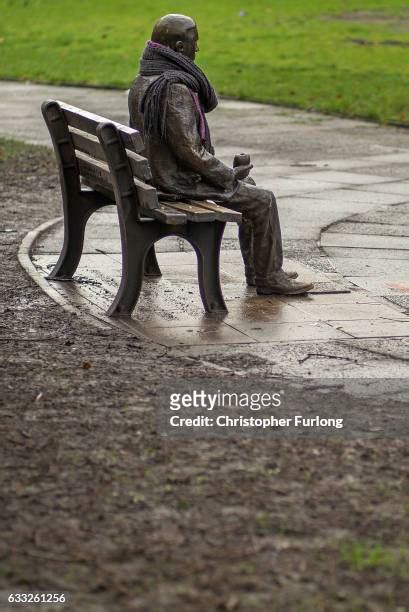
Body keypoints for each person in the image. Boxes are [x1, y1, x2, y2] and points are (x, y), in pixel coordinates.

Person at [128, 14, 314, 295]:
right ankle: (269, 278)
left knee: (249, 188)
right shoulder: (174, 88)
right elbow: (190, 151)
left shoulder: (144, 78)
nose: (197, 50)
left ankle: (261, 270)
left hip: (155, 178)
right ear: (179, 47)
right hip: (175, 185)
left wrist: (229, 176)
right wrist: (227, 174)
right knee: (263, 200)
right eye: (194, 42)